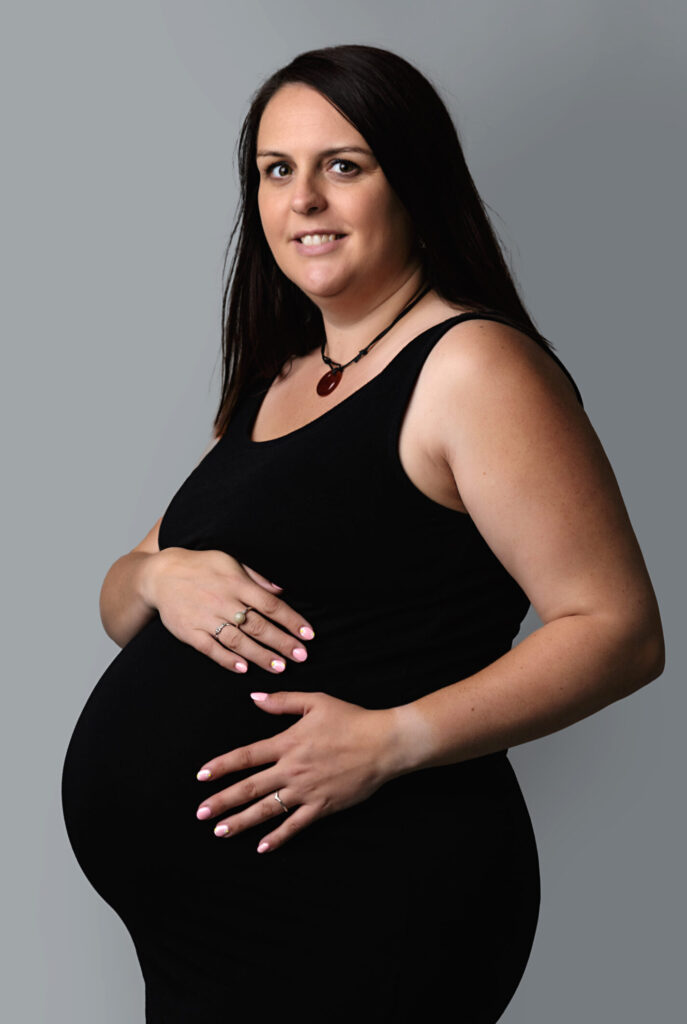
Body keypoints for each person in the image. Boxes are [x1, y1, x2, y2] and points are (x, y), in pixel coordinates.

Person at [61, 44, 665, 1023]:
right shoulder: (277, 382)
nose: (304, 199)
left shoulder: (471, 367)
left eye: (344, 165)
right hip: (211, 940)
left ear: (412, 181)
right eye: (276, 170)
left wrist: (390, 740)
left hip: (361, 900)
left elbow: (619, 629)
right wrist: (163, 576)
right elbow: (120, 596)